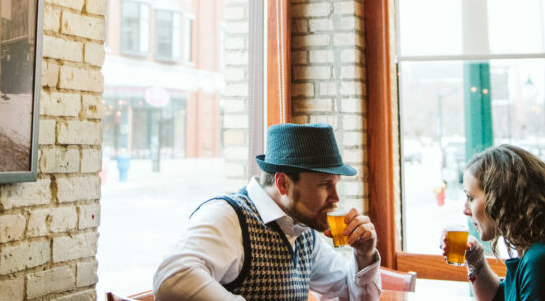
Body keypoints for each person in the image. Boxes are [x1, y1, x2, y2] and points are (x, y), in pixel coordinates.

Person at [153, 123, 382, 300]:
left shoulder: (301, 230)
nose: (336, 197)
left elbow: (352, 295)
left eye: (336, 184)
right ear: (283, 184)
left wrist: (364, 255)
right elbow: (171, 277)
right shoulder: (229, 216)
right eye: (325, 185)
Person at [442, 144, 545, 301]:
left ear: (500, 197)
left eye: (470, 198)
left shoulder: (542, 262)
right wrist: (475, 259)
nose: (465, 210)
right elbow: (499, 297)